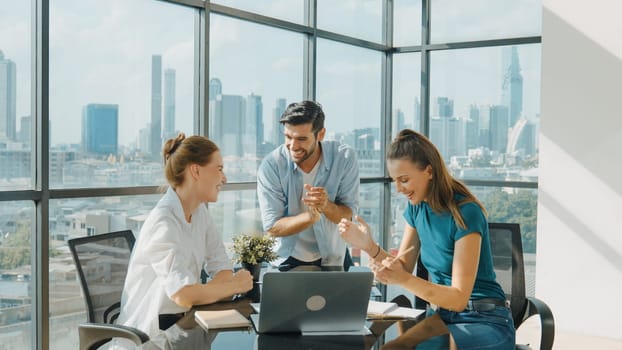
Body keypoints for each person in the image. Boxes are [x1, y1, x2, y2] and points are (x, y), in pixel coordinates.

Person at [338, 129, 515, 349]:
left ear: (429, 171)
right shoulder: (416, 210)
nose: (399, 189)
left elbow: (459, 299)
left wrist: (401, 277)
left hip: (483, 317)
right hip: (441, 316)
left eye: (404, 180)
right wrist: (369, 246)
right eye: (395, 181)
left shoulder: (466, 212)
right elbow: (402, 267)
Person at [117, 133, 253, 338]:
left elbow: (221, 268)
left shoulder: (199, 213)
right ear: (196, 171)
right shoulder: (163, 222)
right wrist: (235, 285)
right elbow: (183, 294)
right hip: (152, 334)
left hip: (184, 324)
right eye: (219, 169)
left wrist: (204, 292)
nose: (224, 178)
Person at [257, 100, 359, 270]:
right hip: (287, 258)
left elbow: (348, 216)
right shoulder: (272, 166)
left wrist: (326, 206)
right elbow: (272, 227)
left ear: (321, 134)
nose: (293, 146)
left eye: (302, 139)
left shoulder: (344, 158)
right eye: (288, 137)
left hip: (333, 256)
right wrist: (310, 217)